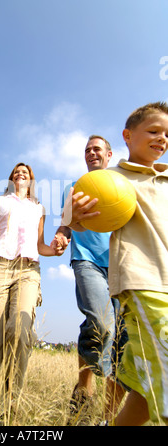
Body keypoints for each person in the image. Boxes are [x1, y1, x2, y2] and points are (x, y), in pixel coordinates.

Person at [0, 163, 63, 418]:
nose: (21, 174)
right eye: (17, 172)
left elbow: (40, 244)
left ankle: (11, 402)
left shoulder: (39, 208)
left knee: (18, 330)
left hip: (28, 270)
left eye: (25, 173)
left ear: (31, 180)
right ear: (11, 179)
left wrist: (55, 249)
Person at [51, 135, 127, 424]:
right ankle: (86, 385)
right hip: (86, 260)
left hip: (121, 266)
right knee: (101, 322)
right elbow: (67, 222)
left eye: (97, 149)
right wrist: (61, 234)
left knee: (120, 337)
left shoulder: (123, 184)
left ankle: (105, 414)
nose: (91, 153)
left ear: (109, 154)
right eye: (87, 150)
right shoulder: (74, 187)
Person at [105, 102, 168, 426]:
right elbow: (79, 221)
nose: (162, 139)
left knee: (146, 390)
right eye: (154, 131)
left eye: (167, 134)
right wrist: (79, 214)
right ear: (128, 136)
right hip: (144, 282)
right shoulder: (112, 178)